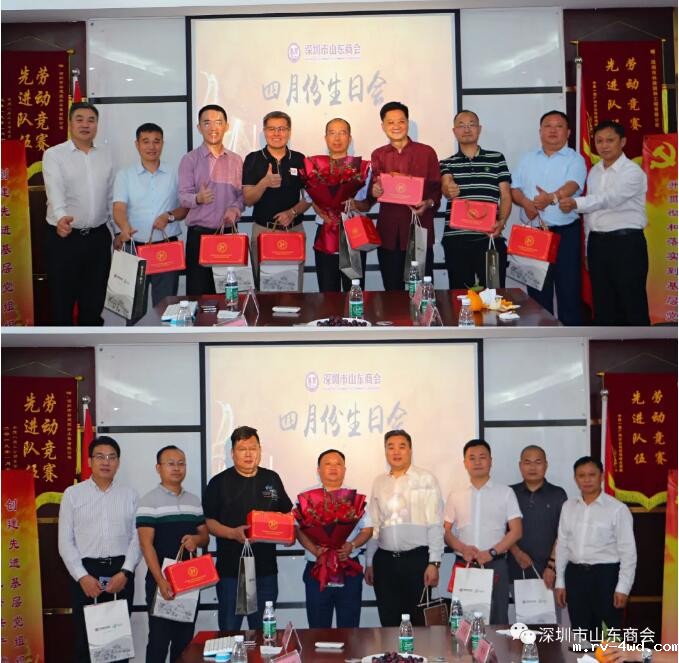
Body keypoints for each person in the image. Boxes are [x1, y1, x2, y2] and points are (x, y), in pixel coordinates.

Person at [558, 120, 650, 325]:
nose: (604, 145)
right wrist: (587, 249)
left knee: (631, 300)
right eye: (599, 141)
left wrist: (575, 203)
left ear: (622, 142)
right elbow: (590, 215)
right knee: (603, 301)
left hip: (626, 243)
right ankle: (608, 345)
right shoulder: (595, 171)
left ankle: (640, 344)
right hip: (598, 244)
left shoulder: (632, 172)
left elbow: (609, 199)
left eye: (610, 140)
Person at [58, 436, 140, 663]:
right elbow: (65, 542)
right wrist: (82, 577)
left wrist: (126, 572)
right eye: (100, 457)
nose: (106, 462)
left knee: (117, 644)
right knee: (85, 642)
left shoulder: (130, 495)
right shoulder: (73, 494)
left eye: (112, 457)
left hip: (120, 572)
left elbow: (137, 538)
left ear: (118, 462)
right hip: (86, 572)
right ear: (89, 461)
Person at [203, 425, 293, 630]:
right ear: (232, 453)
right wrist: (232, 533)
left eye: (253, 448)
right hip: (230, 571)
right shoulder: (218, 482)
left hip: (265, 570)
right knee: (229, 629)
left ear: (260, 450)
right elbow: (209, 522)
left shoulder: (271, 478)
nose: (248, 454)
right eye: (242, 449)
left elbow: (287, 514)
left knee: (264, 630)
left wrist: (288, 535)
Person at [511, 110, 587, 325]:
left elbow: (573, 185)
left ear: (568, 132)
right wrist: (526, 203)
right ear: (540, 131)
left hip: (565, 234)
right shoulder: (527, 158)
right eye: (548, 126)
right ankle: (540, 337)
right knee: (536, 292)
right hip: (533, 235)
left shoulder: (575, 159)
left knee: (568, 290)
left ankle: (571, 338)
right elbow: (514, 188)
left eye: (559, 126)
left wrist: (551, 198)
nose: (553, 130)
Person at [42, 102, 114, 325]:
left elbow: (111, 198)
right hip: (64, 238)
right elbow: (55, 191)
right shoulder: (54, 155)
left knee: (94, 302)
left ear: (97, 125)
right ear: (70, 123)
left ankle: (90, 344)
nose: (85, 124)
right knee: (61, 302)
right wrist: (61, 218)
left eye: (91, 120)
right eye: (79, 119)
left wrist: (118, 230)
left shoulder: (106, 156)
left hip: (98, 239)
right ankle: (63, 346)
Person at [136, 445, 208, 663]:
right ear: (158, 468)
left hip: (189, 580)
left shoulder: (194, 501)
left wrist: (196, 539)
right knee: (158, 642)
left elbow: (205, 537)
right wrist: (161, 581)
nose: (177, 468)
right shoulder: (148, 501)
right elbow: (146, 545)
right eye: (170, 464)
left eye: (181, 463)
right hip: (161, 582)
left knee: (184, 644)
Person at [365, 429, 444, 626]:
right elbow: (374, 524)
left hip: (417, 561)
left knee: (418, 623)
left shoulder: (426, 479)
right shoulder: (379, 481)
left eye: (402, 446)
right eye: (390, 447)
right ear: (385, 451)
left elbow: (435, 523)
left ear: (410, 450)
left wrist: (434, 562)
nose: (396, 452)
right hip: (385, 562)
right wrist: (369, 561)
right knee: (388, 621)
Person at [555, 456, 637, 637]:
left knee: (610, 634)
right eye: (581, 475)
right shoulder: (568, 506)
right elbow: (562, 545)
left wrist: (623, 587)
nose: (587, 480)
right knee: (581, 634)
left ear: (601, 476)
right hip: (575, 576)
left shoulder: (617, 509)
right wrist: (560, 581)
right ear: (575, 478)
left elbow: (628, 553)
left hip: (606, 577)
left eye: (592, 475)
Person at [444, 439, 523, 624]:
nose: (477, 462)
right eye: (472, 458)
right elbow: (446, 532)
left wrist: (492, 552)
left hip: (496, 564)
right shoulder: (455, 495)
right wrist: (462, 548)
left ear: (491, 461)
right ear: (465, 463)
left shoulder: (505, 493)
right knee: (463, 624)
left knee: (497, 621)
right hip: (465, 565)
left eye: (482, 457)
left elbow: (516, 531)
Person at [113, 123, 188, 308]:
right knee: (131, 307)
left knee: (167, 306)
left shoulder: (175, 173)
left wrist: (169, 216)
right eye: (145, 141)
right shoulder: (125, 175)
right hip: (134, 248)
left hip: (167, 247)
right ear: (137, 144)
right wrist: (124, 227)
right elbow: (119, 208)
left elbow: (185, 208)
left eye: (156, 141)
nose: (151, 147)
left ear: (162, 143)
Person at [296, 449, 373, 627]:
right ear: (318, 469)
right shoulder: (306, 497)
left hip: (348, 567)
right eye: (328, 464)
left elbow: (367, 529)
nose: (333, 467)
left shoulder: (355, 498)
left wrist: (352, 545)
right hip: (317, 568)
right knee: (317, 627)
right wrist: (315, 550)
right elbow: (298, 530)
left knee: (350, 628)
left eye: (338, 464)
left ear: (344, 469)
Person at [370, 101, 442, 290]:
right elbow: (374, 188)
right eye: (390, 122)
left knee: (421, 291)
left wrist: (429, 202)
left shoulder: (427, 152)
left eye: (401, 121)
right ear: (383, 126)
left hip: (419, 229)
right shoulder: (378, 155)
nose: (396, 126)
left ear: (407, 123)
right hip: (389, 232)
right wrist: (375, 190)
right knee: (392, 291)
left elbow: (436, 189)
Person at [440, 110, 512, 289]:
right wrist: (449, 189)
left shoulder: (496, 158)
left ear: (479, 129)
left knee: (493, 295)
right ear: (454, 131)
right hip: (456, 240)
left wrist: (502, 222)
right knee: (459, 295)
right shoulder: (446, 163)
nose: (467, 129)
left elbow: (505, 195)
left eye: (471, 125)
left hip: (489, 238)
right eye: (461, 125)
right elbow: (446, 186)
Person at [178, 104, 244, 295]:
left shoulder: (236, 160)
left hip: (228, 235)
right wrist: (198, 198)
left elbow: (242, 195)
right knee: (199, 295)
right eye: (207, 123)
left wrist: (235, 209)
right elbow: (183, 197)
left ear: (226, 126)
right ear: (199, 127)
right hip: (200, 237)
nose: (213, 127)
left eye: (218, 122)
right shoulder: (189, 159)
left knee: (229, 293)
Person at [242, 111, 311, 288]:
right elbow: (247, 200)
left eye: (282, 129)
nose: (277, 133)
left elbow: (309, 197)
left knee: (293, 288)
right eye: (272, 129)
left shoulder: (299, 159)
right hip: (263, 232)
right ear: (265, 131)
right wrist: (263, 183)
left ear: (289, 132)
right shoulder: (253, 159)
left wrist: (292, 212)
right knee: (264, 289)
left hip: (293, 231)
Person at [307, 118, 372, 292]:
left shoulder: (362, 168)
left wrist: (355, 204)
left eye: (342, 133)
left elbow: (367, 204)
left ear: (349, 138)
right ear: (325, 138)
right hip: (326, 230)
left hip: (354, 232)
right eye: (332, 133)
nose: (337, 138)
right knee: (327, 290)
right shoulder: (314, 167)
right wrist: (322, 211)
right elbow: (310, 198)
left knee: (354, 289)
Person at [509, 445, 567, 590]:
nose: (532, 467)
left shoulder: (558, 494)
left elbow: (564, 534)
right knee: (516, 605)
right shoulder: (509, 493)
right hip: (515, 568)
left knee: (551, 606)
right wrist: (517, 553)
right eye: (527, 462)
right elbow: (501, 530)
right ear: (520, 466)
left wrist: (552, 566)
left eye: (538, 462)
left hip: (550, 573)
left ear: (546, 465)